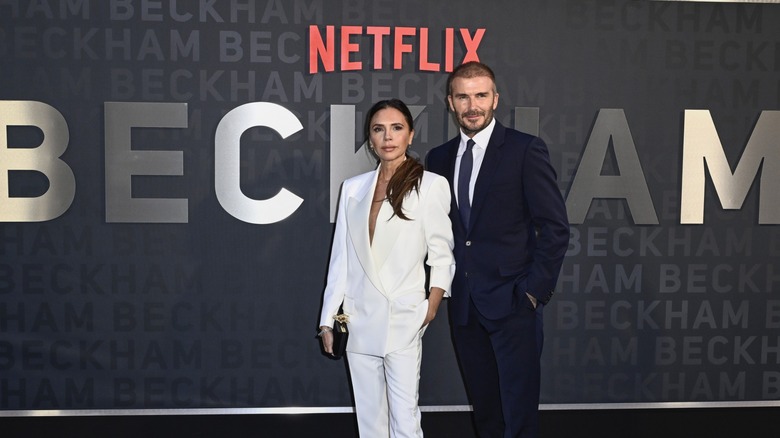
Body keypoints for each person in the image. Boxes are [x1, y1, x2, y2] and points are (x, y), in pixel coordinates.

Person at [426, 62, 570, 438]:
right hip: (465, 307)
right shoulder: (438, 159)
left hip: (514, 304)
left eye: (481, 95)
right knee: (486, 415)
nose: (472, 105)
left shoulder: (524, 149)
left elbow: (555, 226)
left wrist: (533, 293)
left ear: (495, 100)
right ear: (450, 102)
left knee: (519, 417)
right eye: (463, 96)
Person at [319, 99, 456, 437]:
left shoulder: (431, 185)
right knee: (369, 420)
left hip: (403, 317)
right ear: (370, 138)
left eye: (397, 128)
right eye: (379, 129)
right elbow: (342, 260)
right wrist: (326, 319)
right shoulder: (352, 189)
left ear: (411, 135)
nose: (388, 137)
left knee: (405, 418)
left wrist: (430, 308)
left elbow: (442, 254)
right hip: (358, 317)